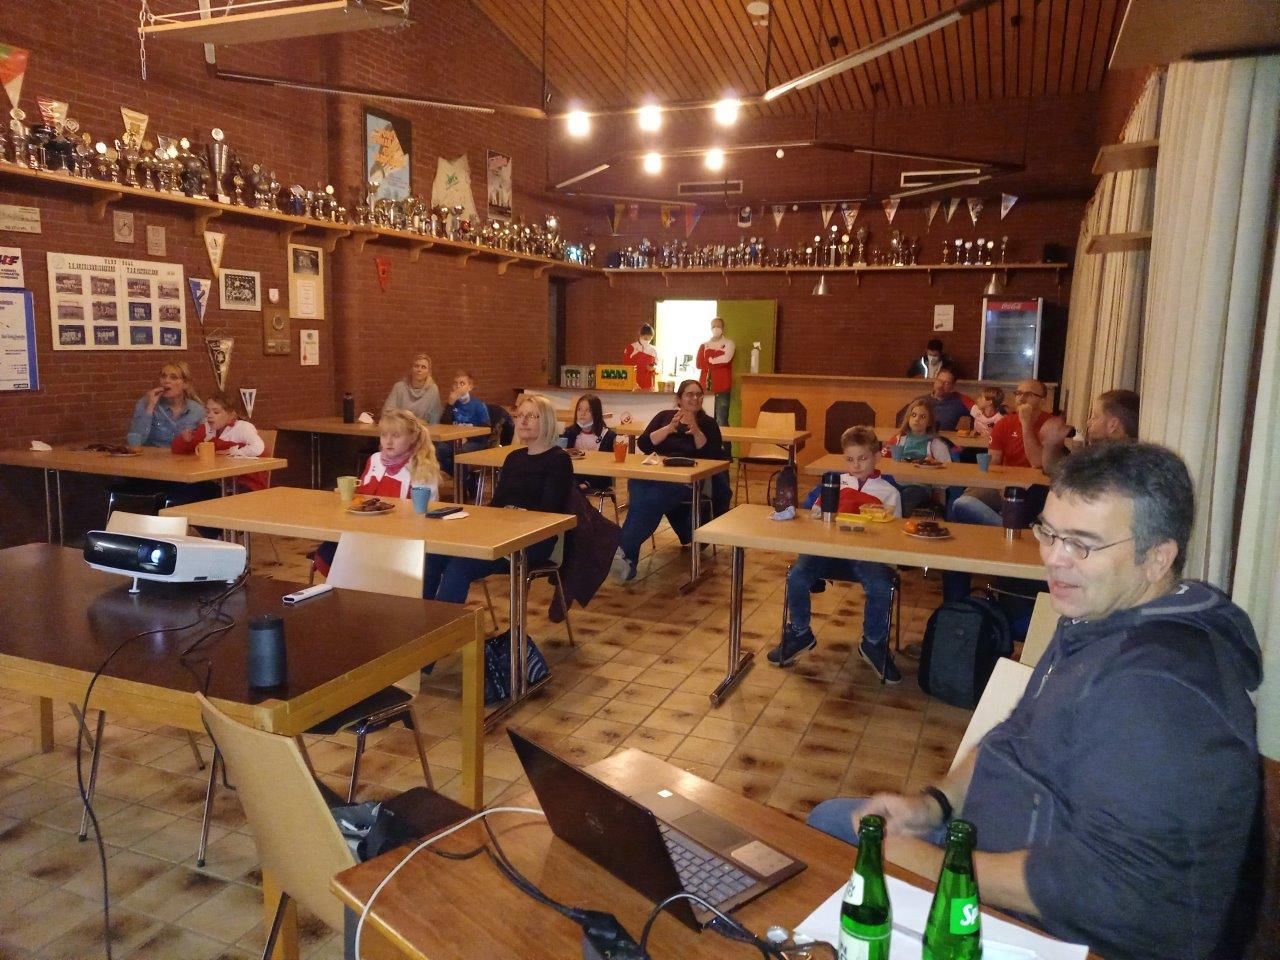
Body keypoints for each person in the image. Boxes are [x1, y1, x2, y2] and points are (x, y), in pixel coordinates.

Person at [806, 442, 1262, 960]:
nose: (1054, 559)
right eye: (1049, 533)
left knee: (830, 857)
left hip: (1067, 933)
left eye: (1082, 544)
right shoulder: (1093, 617)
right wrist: (933, 805)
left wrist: (934, 866)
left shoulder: (1161, 690)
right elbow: (1012, 735)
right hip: (995, 857)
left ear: (1157, 557)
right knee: (832, 822)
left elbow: (1106, 888)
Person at [768, 427, 903, 681]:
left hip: (866, 555)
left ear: (877, 457)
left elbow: (893, 535)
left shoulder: (889, 492)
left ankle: (873, 642)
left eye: (863, 458)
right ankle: (800, 632)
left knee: (881, 585)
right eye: (850, 459)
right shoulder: (833, 483)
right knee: (797, 577)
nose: (856, 465)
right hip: (827, 551)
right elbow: (812, 514)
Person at [424, 394, 572, 603]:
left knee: (459, 566)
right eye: (520, 415)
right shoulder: (514, 458)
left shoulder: (559, 460)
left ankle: (445, 623)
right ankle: (423, 617)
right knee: (433, 555)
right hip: (500, 533)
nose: (523, 420)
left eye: (532, 416)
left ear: (546, 421)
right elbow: (497, 504)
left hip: (533, 540)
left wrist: (513, 515)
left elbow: (550, 510)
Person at [611, 379, 731, 582]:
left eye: (699, 394)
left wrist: (695, 430)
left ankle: (625, 553)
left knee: (646, 502)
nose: (695, 398)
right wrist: (669, 428)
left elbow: (712, 455)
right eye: (690, 394)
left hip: (685, 480)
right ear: (679, 399)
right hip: (655, 472)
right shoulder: (664, 417)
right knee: (640, 488)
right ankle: (626, 557)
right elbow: (645, 444)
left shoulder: (708, 424)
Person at [313, 409, 441, 572]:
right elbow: (363, 496)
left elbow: (426, 513)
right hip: (364, 529)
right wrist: (350, 495)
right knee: (325, 556)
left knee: (348, 562)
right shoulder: (374, 459)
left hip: (399, 536)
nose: (388, 441)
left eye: (396, 436)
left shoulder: (422, 467)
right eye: (384, 435)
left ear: (412, 437)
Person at [170, 392, 267, 491]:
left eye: (216, 412)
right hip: (223, 481)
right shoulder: (207, 428)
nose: (209, 416)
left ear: (231, 415)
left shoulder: (242, 427)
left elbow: (258, 447)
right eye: (207, 411)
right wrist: (186, 441)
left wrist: (232, 451)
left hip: (247, 483)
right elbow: (179, 450)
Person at [1042, 388, 1140, 474]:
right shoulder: (1122, 456)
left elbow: (1060, 475)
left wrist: (1050, 443)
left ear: (1113, 425)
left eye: (1095, 417)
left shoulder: (1112, 463)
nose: (1088, 422)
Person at [883, 399, 952, 516]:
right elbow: (882, 463)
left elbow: (948, 476)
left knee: (908, 496)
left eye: (923, 417)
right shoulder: (897, 440)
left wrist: (935, 465)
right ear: (908, 418)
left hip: (920, 486)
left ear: (929, 422)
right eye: (913, 415)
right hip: (895, 481)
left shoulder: (936, 445)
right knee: (885, 493)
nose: (917, 419)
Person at [128, 362, 205, 446]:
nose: (166, 381)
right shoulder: (146, 402)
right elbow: (136, 442)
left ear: (185, 384)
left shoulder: (197, 410)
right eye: (163, 377)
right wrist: (150, 407)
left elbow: (205, 442)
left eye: (173, 378)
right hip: (154, 454)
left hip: (184, 453)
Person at [436, 370, 491, 478]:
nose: (458, 386)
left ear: (470, 387)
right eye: (455, 383)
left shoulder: (478, 405)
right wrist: (450, 405)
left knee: (460, 452)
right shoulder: (453, 404)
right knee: (439, 450)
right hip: (455, 440)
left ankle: (464, 480)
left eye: (462, 383)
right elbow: (444, 425)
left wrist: (468, 438)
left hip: (475, 441)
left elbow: (486, 429)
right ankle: (460, 476)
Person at [560, 393, 617, 492]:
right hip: (573, 476)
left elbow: (607, 467)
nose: (582, 414)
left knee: (571, 490)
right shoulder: (570, 433)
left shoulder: (608, 436)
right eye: (579, 409)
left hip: (597, 479)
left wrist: (587, 484)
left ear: (596, 414)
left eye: (588, 410)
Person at [695, 316, 735, 426]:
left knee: (721, 420)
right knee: (705, 419)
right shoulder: (704, 345)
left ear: (723, 328)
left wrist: (710, 361)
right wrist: (716, 361)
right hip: (705, 388)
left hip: (722, 387)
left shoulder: (729, 343)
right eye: (713, 326)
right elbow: (699, 364)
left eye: (718, 326)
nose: (716, 328)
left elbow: (726, 359)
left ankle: (723, 438)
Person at [383, 352, 442, 424]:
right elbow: (386, 412)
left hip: (423, 428)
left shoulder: (433, 389)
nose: (419, 370)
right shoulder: (399, 387)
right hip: (401, 427)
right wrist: (403, 413)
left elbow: (435, 417)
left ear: (429, 372)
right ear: (411, 369)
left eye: (423, 367)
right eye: (416, 366)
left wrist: (417, 422)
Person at [920, 367, 972, 431]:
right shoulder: (921, 401)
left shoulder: (958, 402)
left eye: (946, 383)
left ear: (952, 386)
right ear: (935, 381)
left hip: (945, 436)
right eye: (939, 381)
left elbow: (978, 413)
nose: (941, 385)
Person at [622, 324, 659, 392]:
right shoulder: (631, 348)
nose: (647, 339)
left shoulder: (654, 350)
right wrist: (632, 382)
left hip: (648, 386)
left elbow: (657, 365)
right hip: (632, 385)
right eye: (645, 338)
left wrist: (653, 367)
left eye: (649, 338)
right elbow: (625, 368)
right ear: (641, 335)